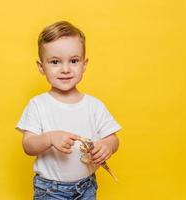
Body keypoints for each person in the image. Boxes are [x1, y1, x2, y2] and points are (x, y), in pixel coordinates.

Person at [15, 20, 122, 200]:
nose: (65, 69)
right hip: (51, 190)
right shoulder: (38, 105)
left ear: (84, 65)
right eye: (55, 62)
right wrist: (49, 138)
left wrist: (107, 145)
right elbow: (28, 145)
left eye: (73, 61)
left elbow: (113, 138)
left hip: (87, 186)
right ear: (41, 67)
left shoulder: (94, 106)